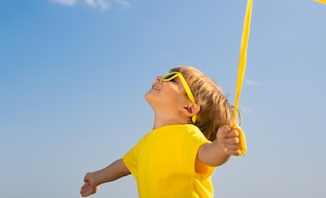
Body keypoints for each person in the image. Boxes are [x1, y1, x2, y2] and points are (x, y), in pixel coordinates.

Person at [80, 65, 243, 198]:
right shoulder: (146, 142)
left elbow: (207, 155)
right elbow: (122, 166)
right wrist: (96, 178)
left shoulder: (185, 134)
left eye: (172, 79)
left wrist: (222, 147)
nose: (160, 77)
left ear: (189, 108)